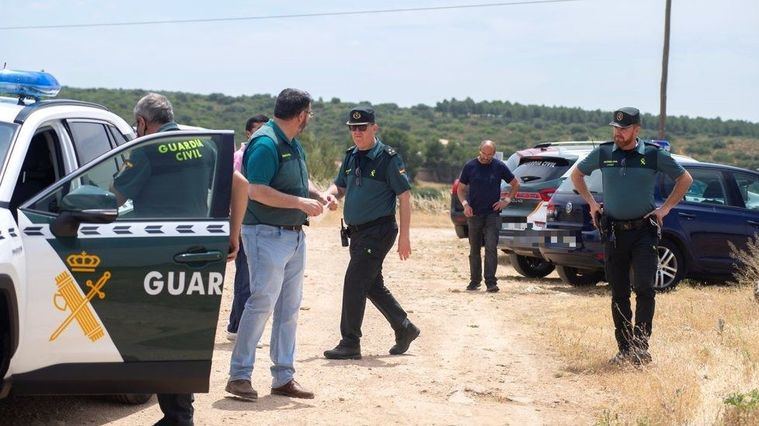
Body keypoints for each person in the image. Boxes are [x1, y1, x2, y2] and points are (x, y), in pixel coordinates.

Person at [112, 93, 239, 426]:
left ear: (142, 122)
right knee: (181, 331)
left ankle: (179, 417)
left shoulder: (147, 148)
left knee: (156, 330)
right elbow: (240, 184)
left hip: (154, 249)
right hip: (196, 248)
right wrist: (233, 235)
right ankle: (180, 414)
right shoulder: (204, 145)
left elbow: (114, 198)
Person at [226, 88, 329, 401]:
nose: (309, 118)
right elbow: (255, 189)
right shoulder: (267, 142)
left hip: (293, 235)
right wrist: (299, 201)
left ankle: (283, 377)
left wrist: (316, 194)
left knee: (289, 309)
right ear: (301, 115)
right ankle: (239, 376)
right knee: (261, 304)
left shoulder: (292, 143)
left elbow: (298, 181)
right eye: (308, 113)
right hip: (265, 234)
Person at [571, 107, 692, 365]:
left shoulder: (652, 154)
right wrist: (592, 203)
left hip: (644, 232)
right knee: (619, 292)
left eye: (624, 129)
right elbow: (577, 174)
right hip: (614, 232)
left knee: (646, 289)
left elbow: (685, 179)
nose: (618, 133)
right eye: (615, 128)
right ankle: (625, 348)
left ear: (636, 130)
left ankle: (641, 347)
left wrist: (666, 208)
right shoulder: (604, 153)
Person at [322, 106, 419, 360]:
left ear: (374, 128)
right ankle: (404, 328)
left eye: (362, 127)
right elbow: (339, 185)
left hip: (379, 230)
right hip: (357, 233)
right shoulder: (351, 156)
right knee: (371, 284)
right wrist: (329, 195)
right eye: (352, 128)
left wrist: (405, 236)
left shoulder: (387, 158)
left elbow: (405, 196)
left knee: (354, 281)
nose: (357, 132)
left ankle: (350, 341)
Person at [227, 114, 269, 342]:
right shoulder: (238, 158)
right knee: (245, 276)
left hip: (260, 223)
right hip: (241, 222)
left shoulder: (265, 155)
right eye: (257, 130)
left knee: (253, 277)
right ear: (248, 133)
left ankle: (237, 325)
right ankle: (241, 328)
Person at [456, 140, 519, 293]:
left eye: (489, 155)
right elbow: (461, 189)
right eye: (484, 154)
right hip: (474, 214)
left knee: (491, 248)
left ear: (494, 154)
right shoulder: (470, 166)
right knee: (474, 249)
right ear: (479, 151)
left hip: (493, 214)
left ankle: (491, 282)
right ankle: (474, 281)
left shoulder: (499, 166)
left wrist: (506, 201)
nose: (486, 157)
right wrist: (465, 205)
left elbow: (515, 184)